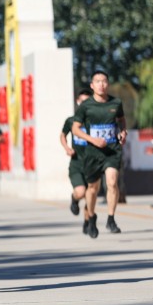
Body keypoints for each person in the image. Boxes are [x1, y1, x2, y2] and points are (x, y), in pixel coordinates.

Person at [72, 70, 127, 238]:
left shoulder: (116, 103)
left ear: (108, 84)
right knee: (92, 188)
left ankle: (111, 219)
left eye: (104, 81)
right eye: (97, 81)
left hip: (112, 151)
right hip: (93, 153)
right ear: (92, 85)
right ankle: (92, 215)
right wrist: (92, 139)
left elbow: (121, 121)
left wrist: (123, 132)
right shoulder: (85, 106)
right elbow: (75, 128)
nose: (101, 84)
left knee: (111, 182)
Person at [60, 88, 93, 233]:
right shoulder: (71, 120)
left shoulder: (95, 122)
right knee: (81, 192)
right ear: (78, 102)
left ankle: (87, 222)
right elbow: (62, 135)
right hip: (77, 164)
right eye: (82, 101)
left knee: (90, 196)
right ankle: (74, 199)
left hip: (93, 165)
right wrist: (67, 148)